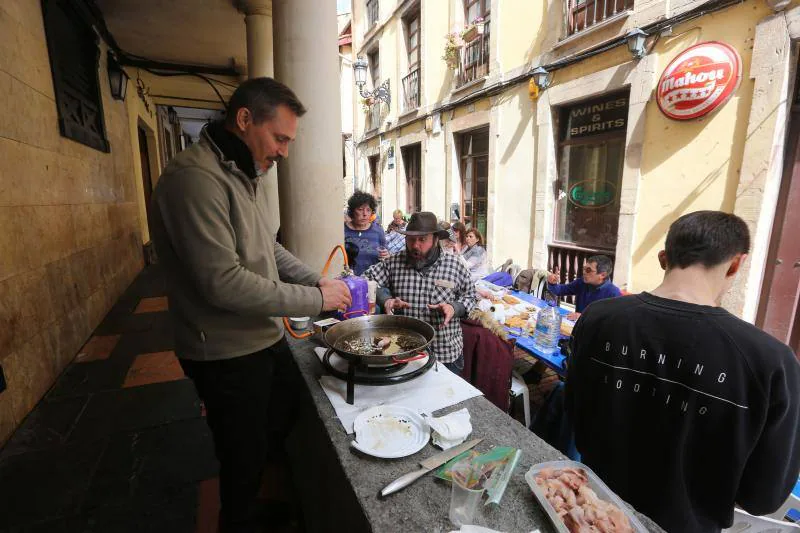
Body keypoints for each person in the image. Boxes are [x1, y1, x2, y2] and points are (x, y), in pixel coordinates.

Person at [149, 77, 352, 533]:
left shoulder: (243, 173)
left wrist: (314, 277)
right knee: (240, 452)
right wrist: (316, 299)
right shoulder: (194, 180)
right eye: (279, 138)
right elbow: (222, 284)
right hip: (222, 350)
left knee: (283, 409)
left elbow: (267, 248)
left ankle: (256, 500)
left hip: (260, 336)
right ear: (244, 120)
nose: (284, 151)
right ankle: (237, 521)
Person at [566, 211, 800, 533]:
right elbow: (763, 497)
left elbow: (575, 413)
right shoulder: (771, 362)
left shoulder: (596, 318)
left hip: (591, 514)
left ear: (664, 258)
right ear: (736, 264)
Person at [363, 212, 477, 374]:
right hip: (405, 352)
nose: (415, 245)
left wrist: (454, 308)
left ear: (436, 239)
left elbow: (471, 297)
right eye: (411, 239)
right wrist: (385, 299)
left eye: (422, 239)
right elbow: (366, 280)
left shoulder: (455, 265)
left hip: (445, 355)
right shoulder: (395, 262)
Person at [545, 255, 622, 320]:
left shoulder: (614, 294)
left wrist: (583, 317)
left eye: (588, 270)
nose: (584, 272)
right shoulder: (582, 283)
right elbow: (560, 290)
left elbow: (611, 322)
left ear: (602, 275)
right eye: (584, 269)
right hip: (577, 326)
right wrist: (552, 283)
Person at [344, 191, 388, 275]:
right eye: (360, 209)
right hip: (348, 282)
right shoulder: (342, 230)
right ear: (352, 211)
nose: (365, 214)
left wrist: (386, 255)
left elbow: (386, 254)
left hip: (373, 281)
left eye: (368, 210)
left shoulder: (378, 230)